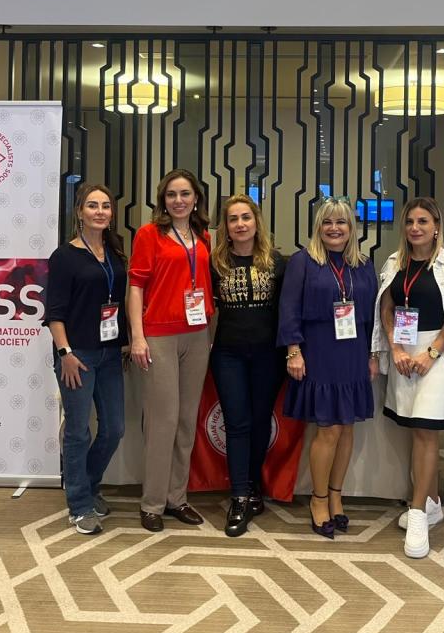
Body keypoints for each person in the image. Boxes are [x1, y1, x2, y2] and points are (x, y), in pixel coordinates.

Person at [371, 196, 444, 559]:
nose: (415, 228)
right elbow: (387, 307)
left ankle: (418, 511)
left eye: (423, 221)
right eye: (410, 222)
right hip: (405, 354)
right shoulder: (395, 262)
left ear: (437, 227)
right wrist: (396, 347)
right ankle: (432, 501)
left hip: (437, 356)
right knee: (413, 429)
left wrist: (432, 353)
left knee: (425, 430)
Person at [278, 197, 378, 539]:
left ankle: (336, 496)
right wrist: (293, 351)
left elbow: (371, 315)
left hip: (353, 353)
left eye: (341, 222)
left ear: (352, 227)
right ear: (318, 227)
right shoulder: (303, 262)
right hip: (319, 352)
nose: (335, 228)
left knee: (347, 428)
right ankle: (318, 499)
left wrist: (372, 355)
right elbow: (289, 308)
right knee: (329, 430)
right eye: (327, 222)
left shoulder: (363, 264)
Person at [127, 168, 215, 532]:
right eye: (171, 195)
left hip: (197, 336)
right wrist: (137, 336)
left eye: (185, 194)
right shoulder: (150, 234)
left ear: (196, 199)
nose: (178, 201)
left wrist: (210, 333)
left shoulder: (204, 236)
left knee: (185, 420)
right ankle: (152, 503)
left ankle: (177, 498)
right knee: (162, 421)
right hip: (159, 337)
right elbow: (136, 287)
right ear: (163, 200)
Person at [44, 183, 128, 535]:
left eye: (105, 206)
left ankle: (88, 485)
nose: (100, 211)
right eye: (92, 205)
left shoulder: (115, 251)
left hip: (110, 352)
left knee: (114, 428)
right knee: (78, 431)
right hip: (77, 354)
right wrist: (64, 353)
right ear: (79, 211)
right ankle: (79, 505)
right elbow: (54, 312)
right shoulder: (64, 256)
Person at [210, 194, 287, 537]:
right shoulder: (215, 263)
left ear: (257, 222)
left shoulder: (277, 262)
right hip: (228, 355)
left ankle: (254, 485)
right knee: (237, 424)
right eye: (233, 219)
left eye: (246, 217)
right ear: (225, 227)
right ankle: (239, 496)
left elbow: (288, 312)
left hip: (268, 355)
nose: (240, 224)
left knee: (258, 422)